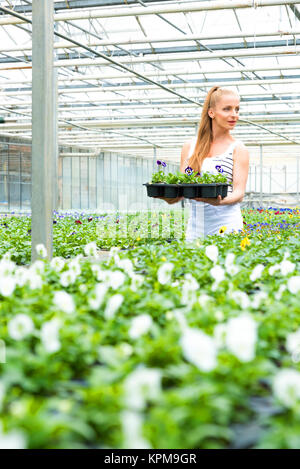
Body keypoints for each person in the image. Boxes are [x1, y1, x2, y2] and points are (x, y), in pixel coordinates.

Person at [155, 86, 249, 239]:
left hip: (228, 226)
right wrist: (167, 195)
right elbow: (183, 189)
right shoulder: (190, 147)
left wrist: (217, 202)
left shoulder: (238, 149)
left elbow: (239, 194)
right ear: (211, 112)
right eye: (227, 109)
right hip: (195, 228)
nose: (234, 115)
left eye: (237, 109)